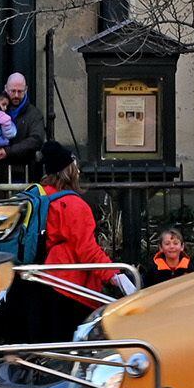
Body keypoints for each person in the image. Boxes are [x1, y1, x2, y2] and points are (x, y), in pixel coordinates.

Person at [26, 146, 119, 341]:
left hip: (44, 278)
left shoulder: (43, 196)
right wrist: (114, 275)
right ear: (69, 170)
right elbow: (87, 250)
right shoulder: (73, 205)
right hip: (70, 286)